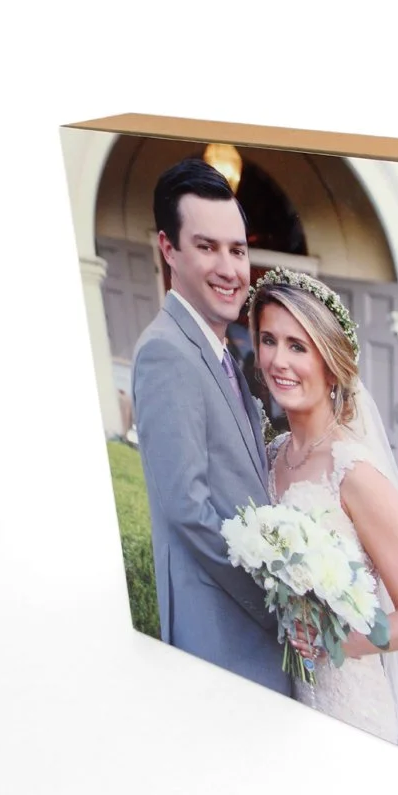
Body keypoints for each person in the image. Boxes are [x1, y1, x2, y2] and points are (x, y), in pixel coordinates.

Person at [248, 267, 398, 775]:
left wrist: (332, 640)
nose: (278, 360)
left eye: (297, 346)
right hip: (291, 691)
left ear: (330, 364)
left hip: (353, 707)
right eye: (268, 340)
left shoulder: (357, 473)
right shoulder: (272, 454)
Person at [131, 159, 290, 697]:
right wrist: (279, 609)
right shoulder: (165, 352)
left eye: (238, 249)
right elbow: (188, 510)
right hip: (222, 644)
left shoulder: (220, 350)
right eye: (207, 247)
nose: (230, 268)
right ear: (168, 249)